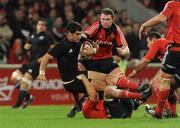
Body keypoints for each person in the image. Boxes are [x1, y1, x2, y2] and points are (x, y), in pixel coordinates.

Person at [139, 0, 180, 118]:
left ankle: (158, 112)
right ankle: (172, 113)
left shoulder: (173, 4)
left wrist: (145, 25)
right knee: (170, 85)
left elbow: (161, 18)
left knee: (164, 82)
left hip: (176, 49)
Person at [128, 31, 179, 117]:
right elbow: (162, 71)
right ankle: (173, 113)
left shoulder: (158, 42)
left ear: (153, 39)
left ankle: (164, 111)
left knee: (157, 85)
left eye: (148, 42)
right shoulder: (165, 46)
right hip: (177, 67)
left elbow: (145, 61)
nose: (147, 45)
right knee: (167, 87)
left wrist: (134, 71)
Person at [10, 19, 55, 108]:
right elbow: (27, 45)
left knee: (24, 83)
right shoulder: (33, 35)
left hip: (37, 64)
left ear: (46, 27)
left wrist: (44, 58)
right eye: (39, 24)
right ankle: (29, 97)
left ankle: (17, 106)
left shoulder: (48, 37)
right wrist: (26, 46)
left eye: (43, 24)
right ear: (36, 26)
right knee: (14, 77)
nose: (41, 26)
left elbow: (53, 49)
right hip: (29, 62)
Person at [76, 74, 152, 119]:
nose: (88, 97)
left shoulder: (96, 103)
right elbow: (93, 95)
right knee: (108, 90)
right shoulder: (85, 109)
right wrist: (84, 78)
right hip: (114, 114)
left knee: (112, 81)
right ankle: (140, 96)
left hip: (121, 109)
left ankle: (138, 93)